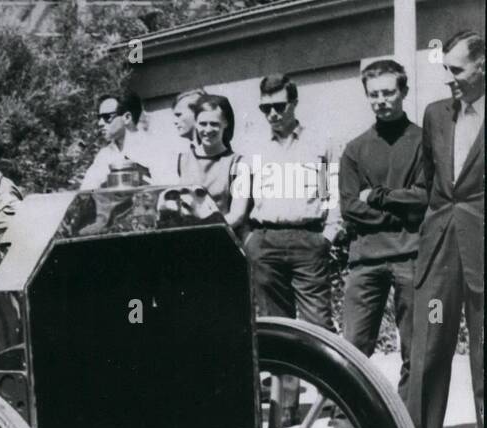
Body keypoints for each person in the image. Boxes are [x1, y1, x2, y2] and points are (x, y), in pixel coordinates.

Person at [379, 30, 483, 428]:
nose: (450, 80)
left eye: (457, 70)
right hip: (440, 253)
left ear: (482, 67)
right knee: (429, 349)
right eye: (447, 71)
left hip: (483, 253)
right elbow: (429, 183)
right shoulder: (436, 115)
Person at [336, 59, 423, 404]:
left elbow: (426, 197)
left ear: (403, 91)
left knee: (417, 348)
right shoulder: (355, 150)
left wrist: (377, 198)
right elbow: (348, 207)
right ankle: (348, 425)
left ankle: (410, 426)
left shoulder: (422, 142)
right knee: (352, 348)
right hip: (366, 259)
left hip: (412, 257)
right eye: (374, 95)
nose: (381, 100)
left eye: (388, 92)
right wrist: (399, 215)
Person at [240, 73, 341, 329]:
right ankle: (282, 373)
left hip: (308, 241)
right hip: (265, 243)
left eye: (279, 106)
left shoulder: (321, 141)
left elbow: (336, 191)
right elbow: (241, 197)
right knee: (276, 326)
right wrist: (249, 240)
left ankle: (318, 372)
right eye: (266, 108)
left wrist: (328, 235)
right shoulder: (252, 146)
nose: (272, 114)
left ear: (294, 103)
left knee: (318, 326)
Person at [178, 94, 249, 229]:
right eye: (203, 124)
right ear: (195, 123)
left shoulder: (239, 163)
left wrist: (203, 229)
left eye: (214, 124)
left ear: (226, 123)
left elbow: (237, 215)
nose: (208, 130)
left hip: (222, 237)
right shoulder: (182, 161)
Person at [82, 90, 154, 188]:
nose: (100, 123)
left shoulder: (153, 147)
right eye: (99, 117)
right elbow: (87, 191)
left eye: (107, 117)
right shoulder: (104, 155)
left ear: (127, 117)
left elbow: (167, 190)